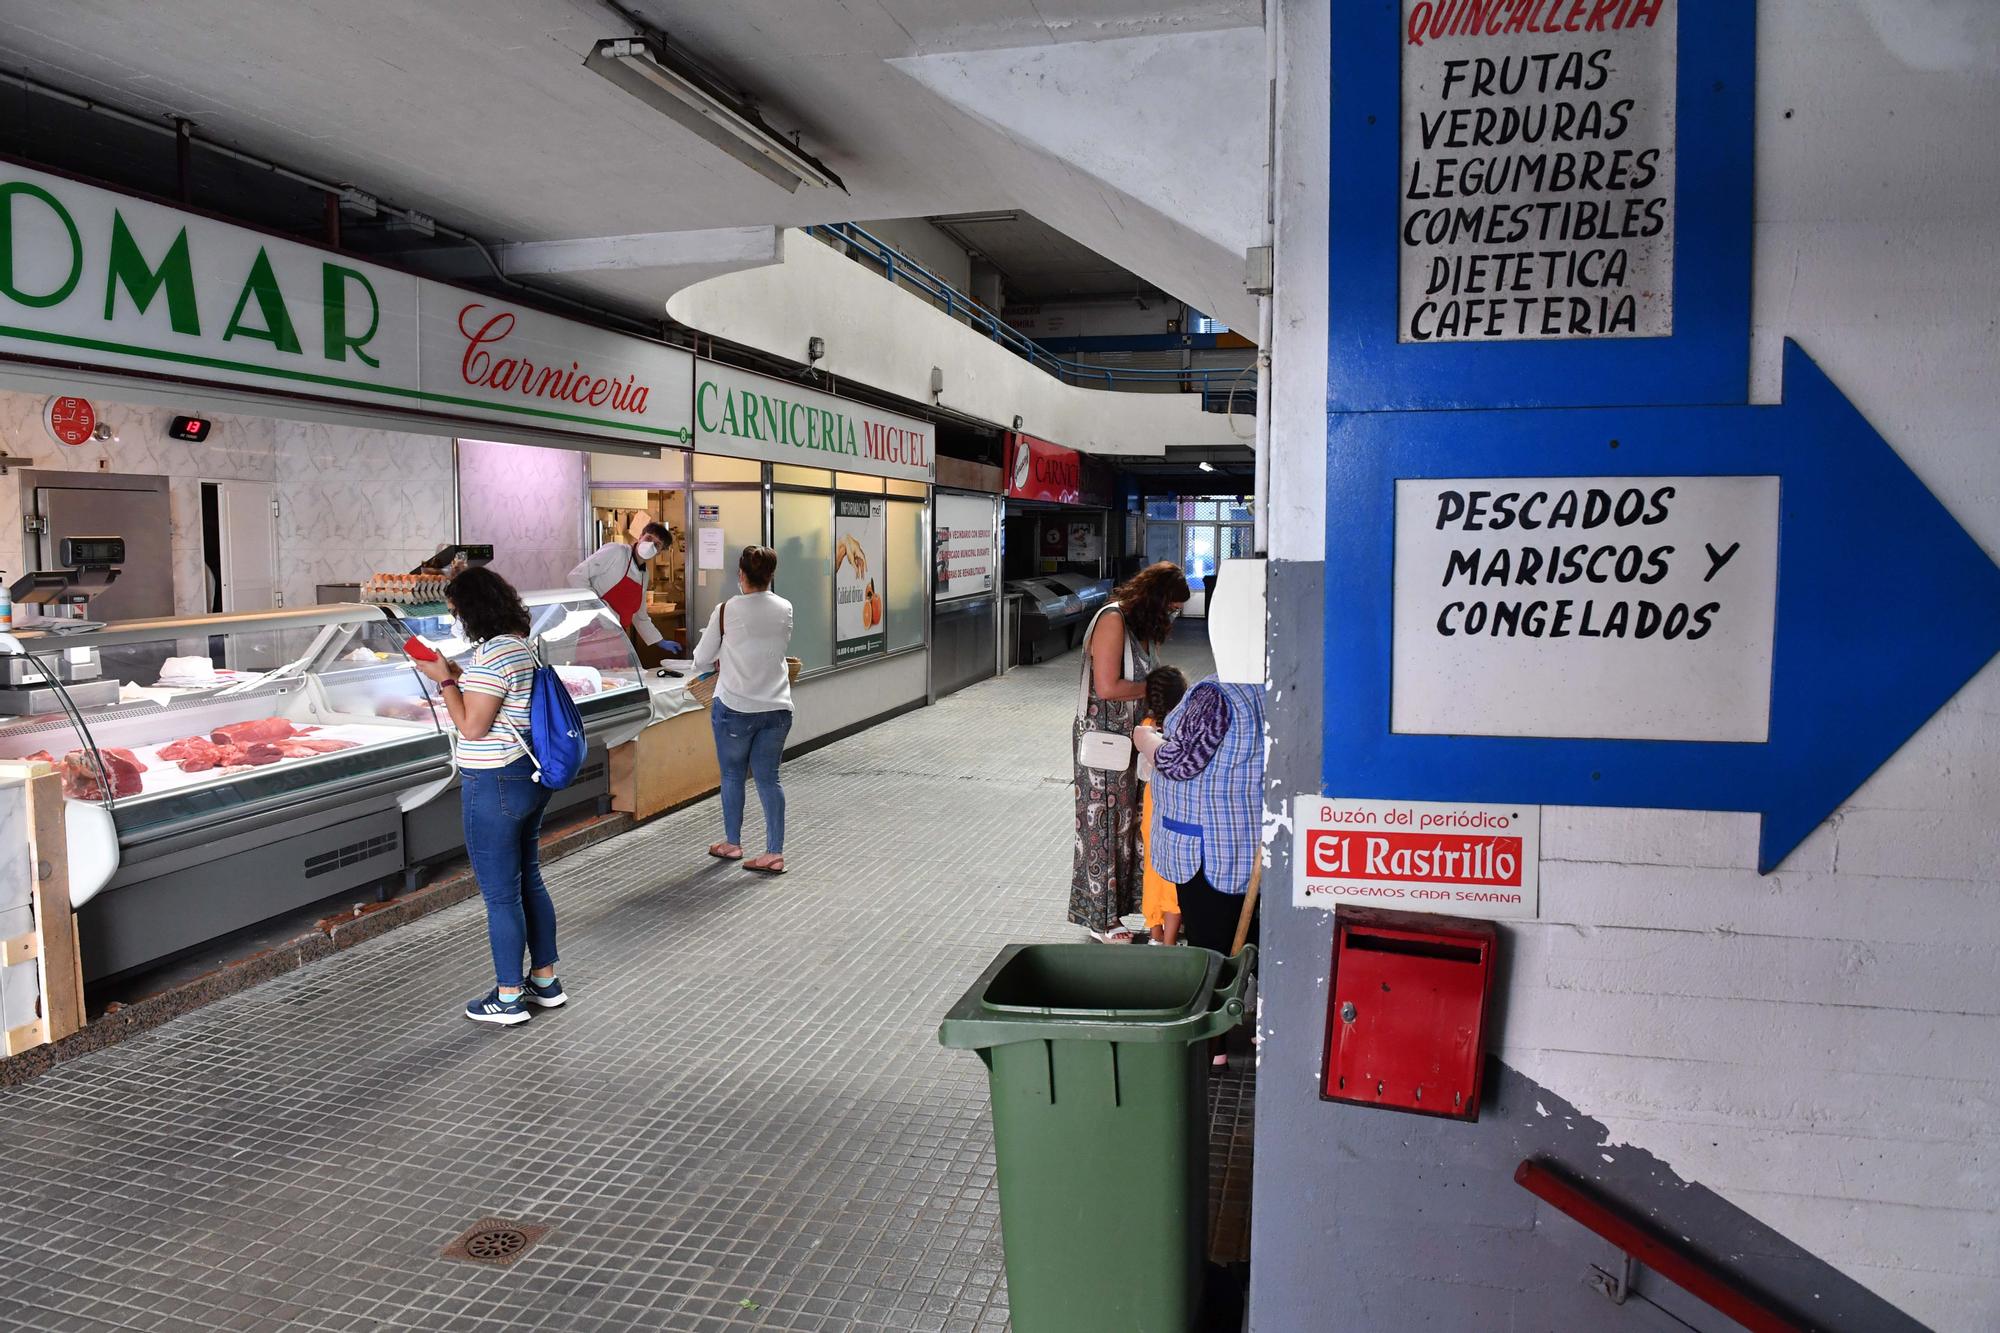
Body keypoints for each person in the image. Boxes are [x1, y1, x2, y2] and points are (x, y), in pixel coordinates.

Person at [412, 566, 567, 1026]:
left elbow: (472, 726)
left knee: (501, 897)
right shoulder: (520, 646)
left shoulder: (493, 656)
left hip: (493, 784)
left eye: (456, 611)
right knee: (530, 880)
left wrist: (443, 681)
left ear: (472, 611)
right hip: (527, 780)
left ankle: (507, 997)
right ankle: (545, 981)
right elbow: (498, 701)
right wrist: (461, 675)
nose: (456, 619)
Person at [1069, 560, 1191, 943]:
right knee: (1102, 826)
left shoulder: (1138, 628)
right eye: (1171, 605)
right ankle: (1099, 918)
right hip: (1104, 746)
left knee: (1130, 829)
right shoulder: (1112, 621)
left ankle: (1130, 908)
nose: (1174, 612)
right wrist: (1156, 686)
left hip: (1132, 742)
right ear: (1155, 599)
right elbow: (1106, 688)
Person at [1135, 674, 1266, 958]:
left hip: (1207, 853)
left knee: (1211, 951)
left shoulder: (1216, 694)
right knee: (1245, 945)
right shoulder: (1267, 686)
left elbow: (1179, 762)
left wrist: (1145, 738)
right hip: (1244, 842)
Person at [691, 545, 794, 875]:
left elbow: (702, 659)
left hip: (735, 705)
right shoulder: (784, 607)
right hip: (777, 707)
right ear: (771, 576)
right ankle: (774, 852)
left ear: (741, 575)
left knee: (733, 775)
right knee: (769, 779)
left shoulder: (726, 610)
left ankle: (732, 843)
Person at [570, 519, 680, 666]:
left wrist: (659, 641)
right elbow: (576, 576)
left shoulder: (644, 574)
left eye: (657, 544)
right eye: (649, 539)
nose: (650, 545)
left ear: (660, 551)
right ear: (640, 537)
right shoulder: (616, 552)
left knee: (619, 681)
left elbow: (640, 616)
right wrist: (599, 606)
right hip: (592, 633)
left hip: (617, 637)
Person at [1139, 665, 1189, 946]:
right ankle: (1170, 941)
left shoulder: (1147, 728)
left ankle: (1155, 934)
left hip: (1151, 803)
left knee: (1153, 868)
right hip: (1175, 805)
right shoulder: (1182, 727)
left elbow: (1144, 773)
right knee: (1173, 875)